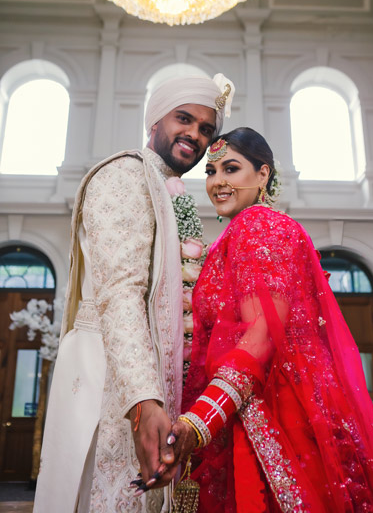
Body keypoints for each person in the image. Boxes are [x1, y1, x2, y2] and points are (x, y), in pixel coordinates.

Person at [166, 127, 373, 512]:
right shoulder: (244, 232)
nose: (218, 182)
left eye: (231, 169)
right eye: (210, 171)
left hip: (268, 416)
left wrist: (202, 420)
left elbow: (261, 336)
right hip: (249, 407)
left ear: (263, 175)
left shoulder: (258, 226)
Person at [33, 73, 235, 513]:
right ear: (154, 121)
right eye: (184, 119)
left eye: (206, 130)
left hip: (140, 370)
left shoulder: (163, 187)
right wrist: (144, 402)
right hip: (110, 371)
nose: (195, 135)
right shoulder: (124, 174)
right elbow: (121, 293)